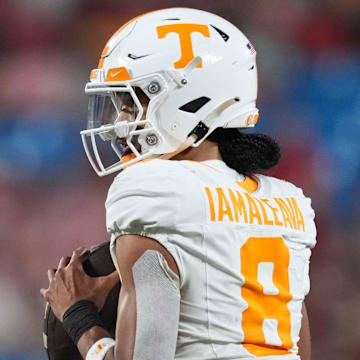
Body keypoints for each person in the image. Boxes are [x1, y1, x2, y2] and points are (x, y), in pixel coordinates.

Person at [40, 7, 316, 360]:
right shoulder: (288, 203)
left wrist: (78, 317)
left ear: (186, 99)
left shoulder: (154, 190)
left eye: (131, 104)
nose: (121, 122)